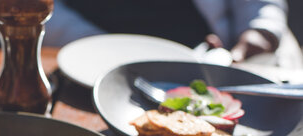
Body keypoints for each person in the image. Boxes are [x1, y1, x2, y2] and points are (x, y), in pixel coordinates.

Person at [45, 0, 302, 68]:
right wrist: (99, 47)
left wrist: (259, 32)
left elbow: (261, 6)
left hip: (215, 56)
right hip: (94, 64)